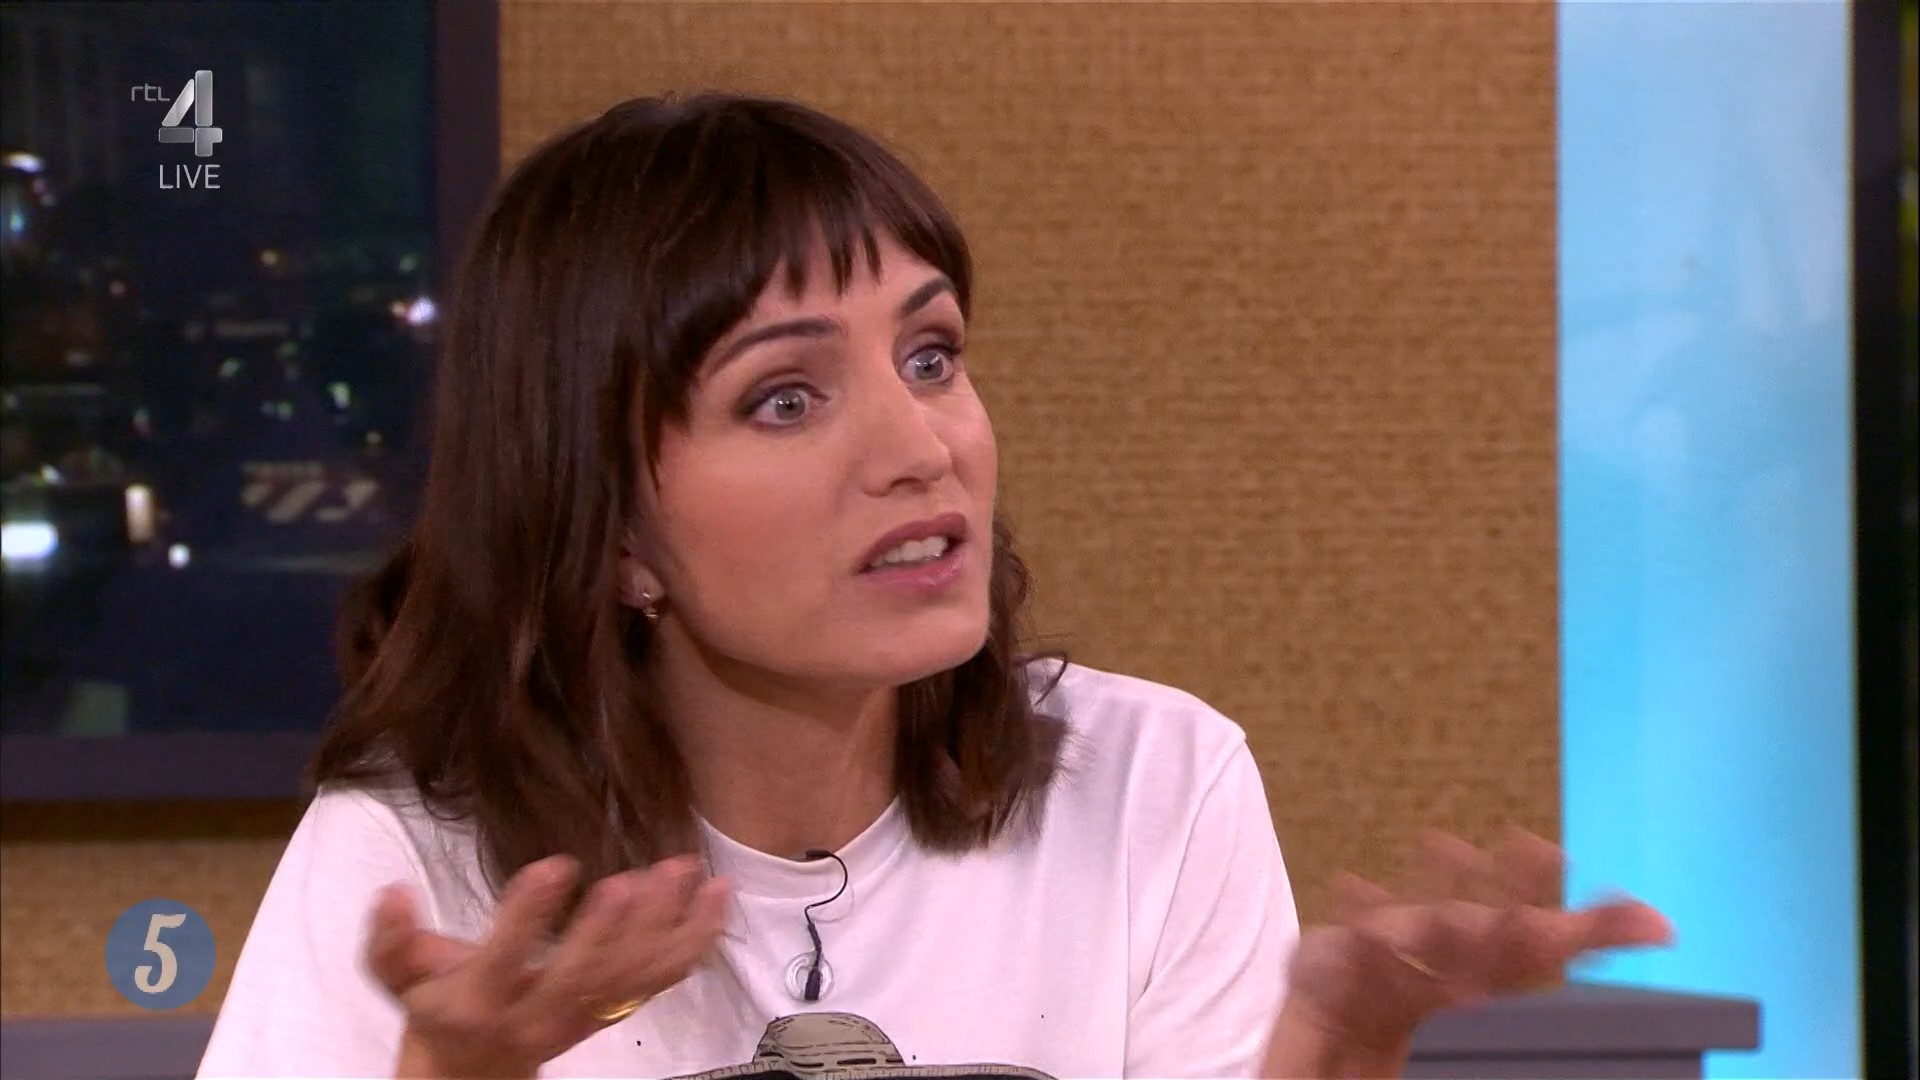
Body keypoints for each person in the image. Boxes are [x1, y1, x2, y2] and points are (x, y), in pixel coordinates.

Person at [195, 92, 1671, 1080]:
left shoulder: (1151, 784)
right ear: (614, 534)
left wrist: (1340, 1052)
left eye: (932, 355)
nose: (923, 447)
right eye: (786, 398)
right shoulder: (418, 862)